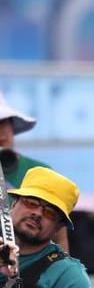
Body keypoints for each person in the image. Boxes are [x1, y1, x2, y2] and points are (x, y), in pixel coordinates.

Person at [0, 90, 69, 253]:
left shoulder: (41, 172)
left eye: (6, 122)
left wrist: (60, 275)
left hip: (32, 273)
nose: (2, 131)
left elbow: (60, 239)